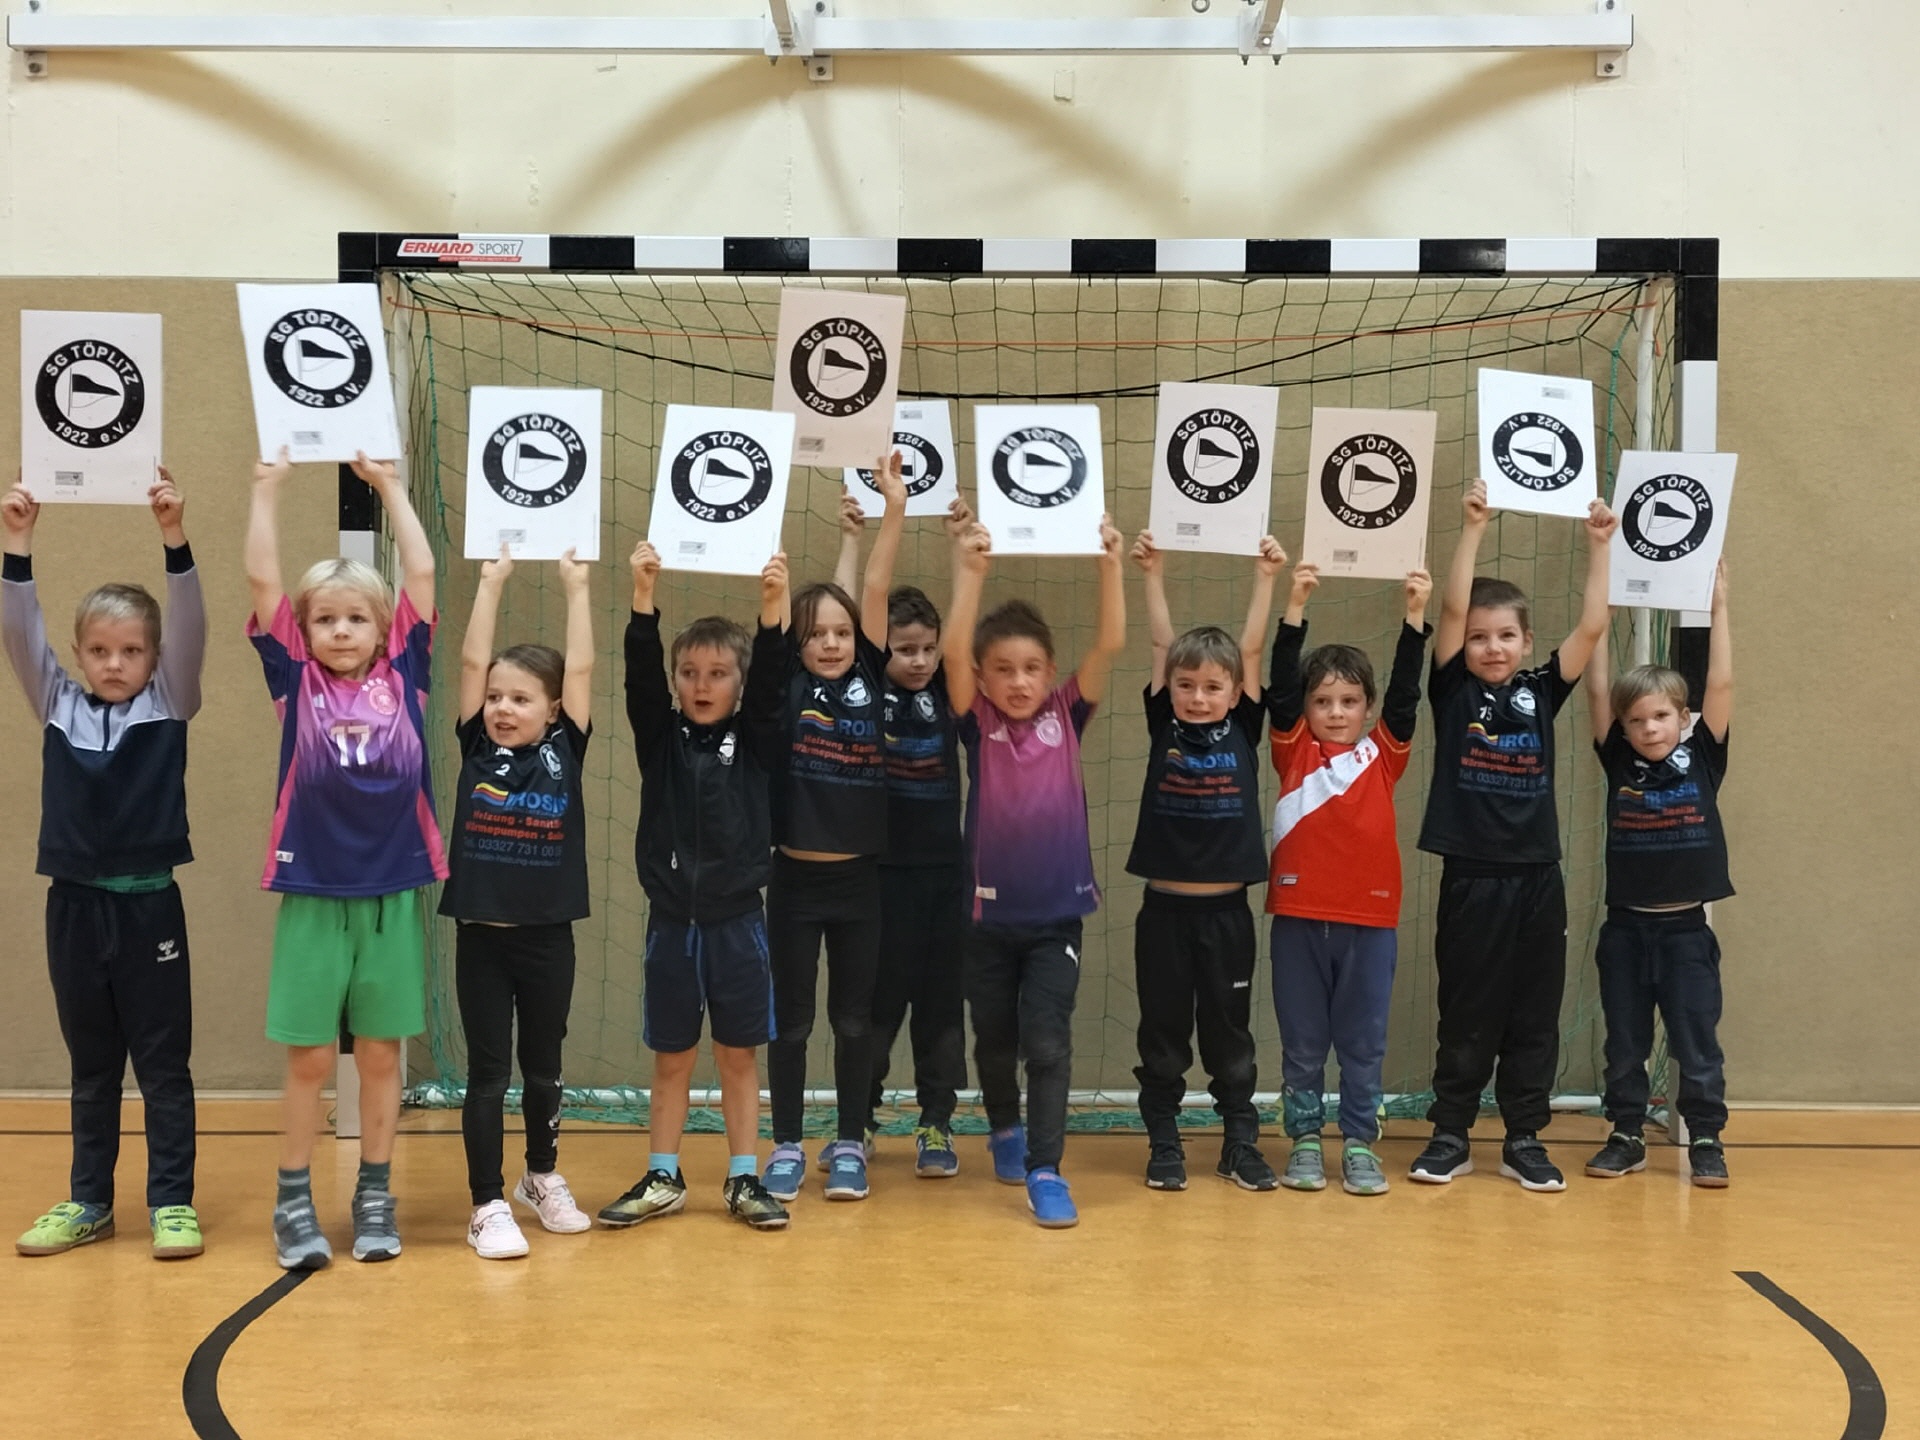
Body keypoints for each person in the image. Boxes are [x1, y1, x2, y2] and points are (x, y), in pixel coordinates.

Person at [245, 448, 447, 1267]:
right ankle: (293, 1200)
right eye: (324, 619)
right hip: (313, 889)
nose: (339, 631)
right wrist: (266, 491)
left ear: (380, 626)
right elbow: (261, 582)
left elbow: (422, 573)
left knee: (381, 1054)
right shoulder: (296, 679)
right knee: (308, 1058)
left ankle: (374, 1195)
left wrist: (390, 486)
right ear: (304, 630)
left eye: (356, 618)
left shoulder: (408, 671)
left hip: (391, 890)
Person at [4, 473, 207, 1260]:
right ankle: (89, 1200)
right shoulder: (57, 704)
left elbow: (189, 623)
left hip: (150, 909)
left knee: (162, 1066)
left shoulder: (171, 700)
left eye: (131, 651)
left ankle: (172, 1202)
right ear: (79, 655)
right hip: (75, 911)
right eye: (99, 650)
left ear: (154, 657)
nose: (114, 663)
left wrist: (173, 537)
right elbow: (19, 630)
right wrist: (18, 542)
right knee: (92, 1067)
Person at [1409, 477, 1617, 1192]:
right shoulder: (1453, 692)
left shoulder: (1541, 688)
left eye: (1505, 636)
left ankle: (1524, 1137)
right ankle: (1450, 1133)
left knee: (1533, 1017)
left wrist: (1599, 547)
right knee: (1468, 1012)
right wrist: (1472, 527)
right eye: (1479, 637)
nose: (1491, 647)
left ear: (1527, 641)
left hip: (1537, 880)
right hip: (1473, 877)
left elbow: (1592, 627)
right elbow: (1450, 607)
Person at [597, 540, 792, 1231]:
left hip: (738, 924)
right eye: (689, 673)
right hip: (672, 926)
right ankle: (663, 1175)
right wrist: (642, 597)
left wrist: (774, 607)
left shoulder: (758, 740)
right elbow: (638, 681)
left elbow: (773, 683)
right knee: (672, 1058)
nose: (702, 685)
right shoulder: (661, 740)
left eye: (717, 674)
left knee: (738, 1056)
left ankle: (744, 1178)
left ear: (738, 683)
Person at [943, 512, 1127, 1229]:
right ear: (983, 678)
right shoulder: (976, 721)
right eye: (1002, 669)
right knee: (995, 1041)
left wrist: (1109, 564)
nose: (1018, 682)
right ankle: (1004, 1128)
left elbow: (1110, 642)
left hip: (1055, 920)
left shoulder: (1067, 713)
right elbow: (953, 650)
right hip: (986, 920)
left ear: (1049, 673)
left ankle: (1047, 1169)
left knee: (1047, 1042)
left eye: (1030, 669)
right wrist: (971, 573)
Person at [760, 455, 908, 1205]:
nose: (830, 642)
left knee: (854, 1021)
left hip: (859, 883)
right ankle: (787, 1143)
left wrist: (893, 511)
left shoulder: (869, 678)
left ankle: (850, 1141)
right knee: (790, 1023)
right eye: (816, 633)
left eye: (841, 633)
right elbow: (783, 625)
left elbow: (871, 591)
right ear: (798, 643)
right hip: (792, 881)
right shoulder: (784, 685)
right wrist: (776, 591)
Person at [441, 547, 596, 1260]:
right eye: (497, 697)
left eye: (521, 698)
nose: (503, 708)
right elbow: (472, 661)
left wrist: (577, 589)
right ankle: (486, 1203)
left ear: (553, 709)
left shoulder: (566, 747)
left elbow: (582, 669)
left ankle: (541, 1175)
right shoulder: (477, 744)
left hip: (547, 938)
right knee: (487, 1074)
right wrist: (490, 583)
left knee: (543, 1066)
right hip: (482, 937)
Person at [1266, 559, 1432, 1197]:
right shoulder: (1293, 749)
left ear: (1366, 708)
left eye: (1349, 701)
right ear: (1306, 708)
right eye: (1323, 701)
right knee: (1304, 1043)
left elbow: (1407, 695)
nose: (1336, 712)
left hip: (1370, 922)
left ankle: (1360, 1142)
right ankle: (1305, 1141)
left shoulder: (1383, 755)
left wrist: (1414, 617)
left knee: (1363, 1043)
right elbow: (1282, 685)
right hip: (1299, 920)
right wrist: (1295, 605)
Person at [1125, 529, 1283, 1193]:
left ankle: (1238, 1144)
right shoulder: (1164, 722)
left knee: (1228, 1036)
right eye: (1186, 685)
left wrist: (1265, 579)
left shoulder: (1243, 726)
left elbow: (1252, 649)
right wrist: (1152, 574)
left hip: (1227, 916)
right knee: (1163, 1034)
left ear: (1234, 692)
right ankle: (1164, 1143)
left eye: (1212, 687)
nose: (1196, 696)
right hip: (1164, 914)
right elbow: (1162, 644)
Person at [834, 493, 974, 1178]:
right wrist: (854, 538)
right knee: (876, 1004)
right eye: (904, 649)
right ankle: (857, 1121)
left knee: (941, 1006)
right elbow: (858, 605)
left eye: (927, 649)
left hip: (945, 875)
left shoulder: (950, 688)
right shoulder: (863, 686)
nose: (918, 660)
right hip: (881, 875)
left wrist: (959, 545)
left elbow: (963, 626)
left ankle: (935, 1123)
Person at [1582, 560, 1734, 1188]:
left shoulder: (1704, 756)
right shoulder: (1619, 760)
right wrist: (1600, 623)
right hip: (1625, 932)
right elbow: (1596, 692)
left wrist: (1719, 607)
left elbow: (1721, 681)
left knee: (1695, 1040)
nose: (1649, 728)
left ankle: (1706, 1138)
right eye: (1637, 720)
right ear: (1623, 727)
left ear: (1683, 718)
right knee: (1625, 1042)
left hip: (1686, 935)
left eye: (1661, 716)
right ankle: (1626, 1132)